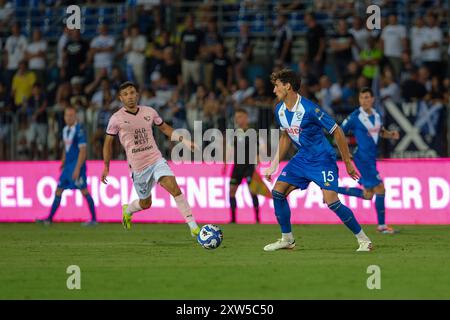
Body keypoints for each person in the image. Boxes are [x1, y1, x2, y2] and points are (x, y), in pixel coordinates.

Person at [263, 69, 372, 252]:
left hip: (322, 158)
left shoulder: (309, 109)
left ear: (287, 86)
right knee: (277, 192)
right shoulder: (279, 110)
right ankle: (287, 239)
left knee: (331, 201)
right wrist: (274, 164)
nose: (274, 90)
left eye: (277, 86)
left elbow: (337, 130)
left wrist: (347, 162)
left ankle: (364, 240)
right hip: (302, 158)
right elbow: (285, 137)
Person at [101, 81, 200, 237]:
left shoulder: (149, 112)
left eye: (132, 92)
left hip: (156, 160)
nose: (130, 97)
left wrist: (185, 141)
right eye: (126, 94)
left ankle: (193, 227)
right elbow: (108, 143)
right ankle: (128, 209)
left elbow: (165, 128)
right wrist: (106, 166)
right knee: (146, 203)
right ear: (121, 98)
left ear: (137, 94)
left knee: (175, 189)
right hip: (138, 167)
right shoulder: (116, 119)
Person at [338, 87, 399, 234]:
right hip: (363, 158)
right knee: (380, 188)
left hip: (371, 158)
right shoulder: (355, 116)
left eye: (366, 97)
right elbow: (339, 132)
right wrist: (346, 153)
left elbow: (379, 131)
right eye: (361, 98)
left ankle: (332, 191)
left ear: (372, 99)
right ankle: (382, 226)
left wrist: (390, 134)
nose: (364, 101)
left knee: (368, 194)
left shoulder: (377, 115)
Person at [36, 106, 97, 225]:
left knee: (84, 191)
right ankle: (49, 219)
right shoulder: (65, 130)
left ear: (75, 117)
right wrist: (63, 162)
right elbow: (66, 148)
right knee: (59, 190)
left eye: (71, 115)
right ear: (64, 117)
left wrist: (77, 169)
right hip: (67, 167)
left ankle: (94, 220)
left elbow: (83, 151)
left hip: (77, 166)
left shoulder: (79, 130)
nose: (69, 118)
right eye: (67, 115)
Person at [223, 108, 260, 223]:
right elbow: (231, 149)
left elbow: (259, 148)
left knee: (252, 191)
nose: (237, 119)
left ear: (246, 118)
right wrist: (225, 163)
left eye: (239, 117)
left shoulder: (253, 132)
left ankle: (257, 218)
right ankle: (233, 219)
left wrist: (257, 161)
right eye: (236, 117)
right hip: (237, 166)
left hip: (249, 166)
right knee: (232, 190)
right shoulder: (234, 133)